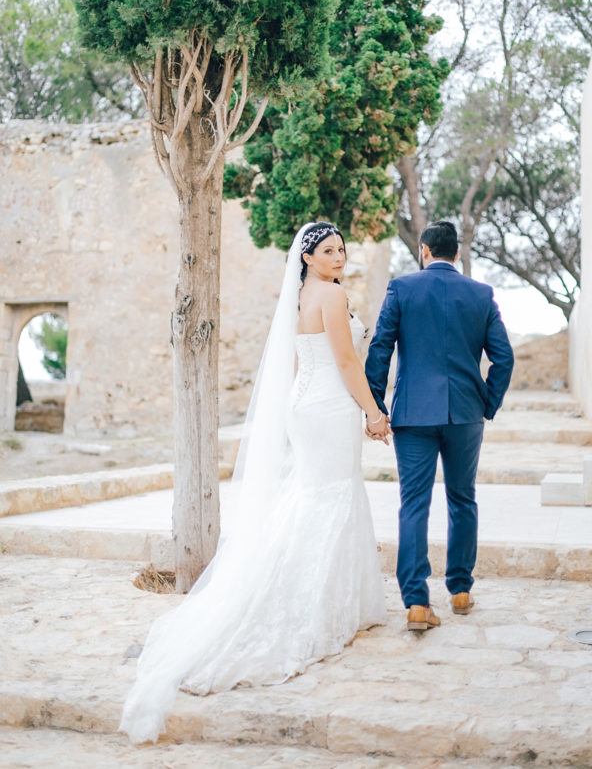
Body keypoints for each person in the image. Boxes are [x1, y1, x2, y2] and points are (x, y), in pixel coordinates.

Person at [119, 221, 388, 744]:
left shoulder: (299, 298)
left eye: (342, 250)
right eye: (329, 251)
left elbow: (294, 363)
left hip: (305, 406)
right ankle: (307, 604)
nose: (340, 258)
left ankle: (332, 597)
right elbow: (346, 361)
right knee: (329, 499)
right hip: (330, 407)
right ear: (308, 257)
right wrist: (373, 413)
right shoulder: (331, 296)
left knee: (317, 497)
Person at [365, 220, 514, 632]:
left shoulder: (402, 289)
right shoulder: (481, 294)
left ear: (424, 251)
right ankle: (461, 589)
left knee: (414, 503)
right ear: (457, 255)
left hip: (413, 414)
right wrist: (488, 402)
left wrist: (375, 406)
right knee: (463, 499)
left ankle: (416, 602)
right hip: (466, 414)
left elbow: (380, 348)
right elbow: (504, 358)